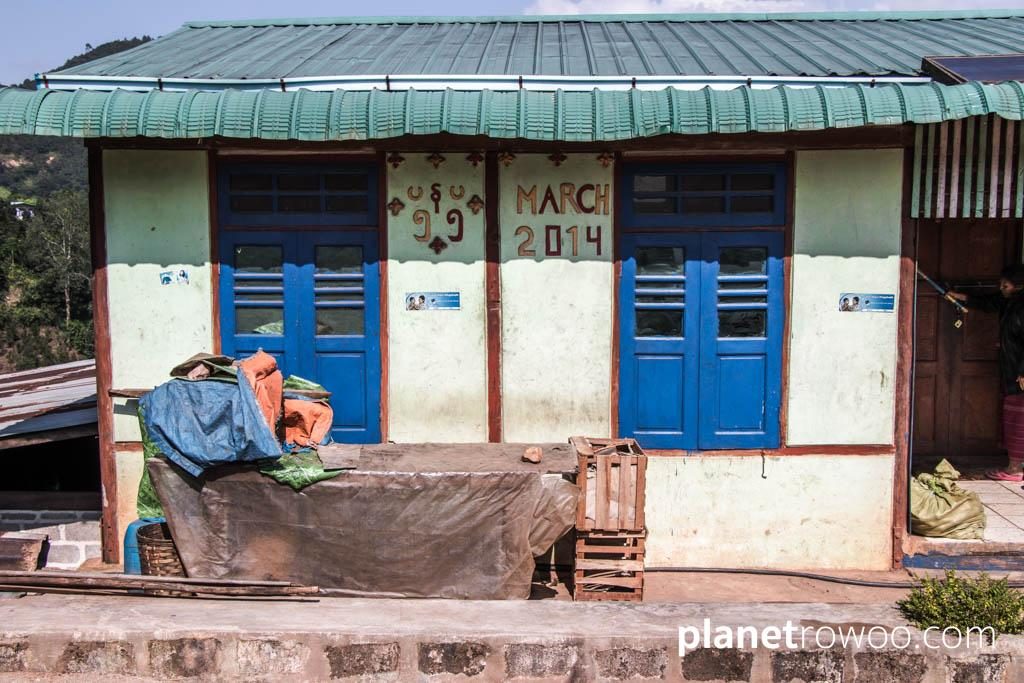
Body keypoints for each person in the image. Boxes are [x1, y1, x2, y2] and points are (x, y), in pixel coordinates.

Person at [950, 264, 1024, 481]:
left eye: (1005, 285)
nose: (1001, 288)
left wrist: (1023, 372)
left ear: (1018, 285)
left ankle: (1015, 469)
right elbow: (988, 303)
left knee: (1018, 418)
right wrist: (959, 296)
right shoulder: (1010, 301)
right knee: (1014, 415)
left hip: (1019, 373)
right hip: (1012, 370)